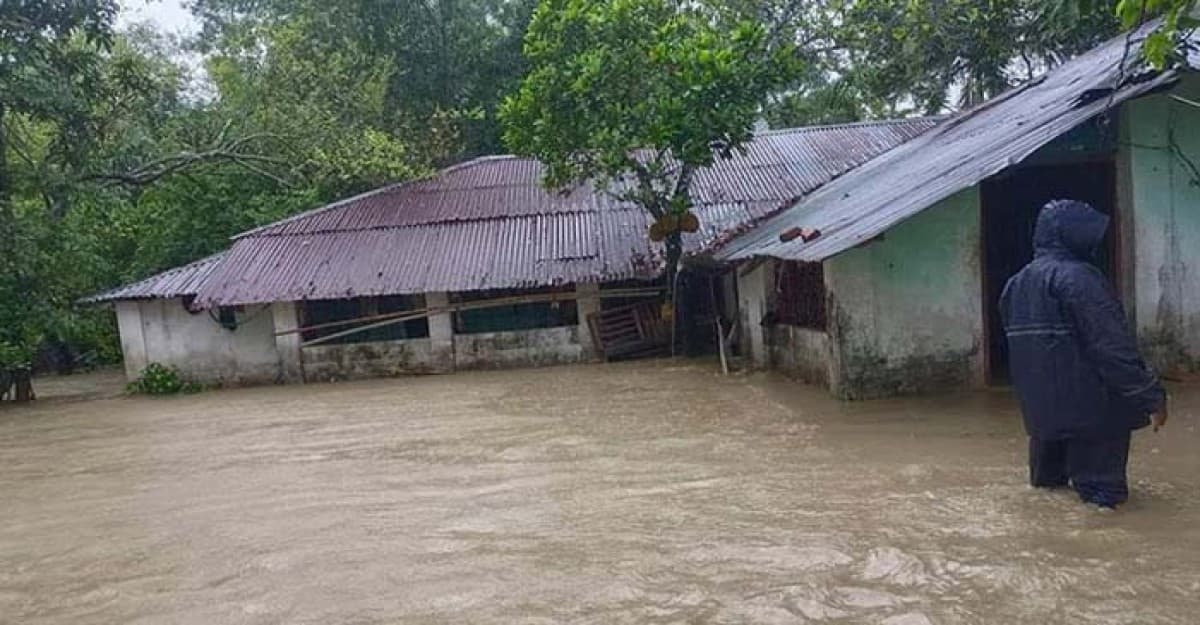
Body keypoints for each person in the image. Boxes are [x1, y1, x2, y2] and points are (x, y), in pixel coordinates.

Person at [1000, 199, 1168, 508]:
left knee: (1048, 496)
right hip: (1095, 416)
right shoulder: (1081, 278)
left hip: (1042, 419)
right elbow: (1112, 348)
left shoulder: (1015, 285)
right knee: (1102, 504)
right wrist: (1151, 396)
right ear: (1073, 235)